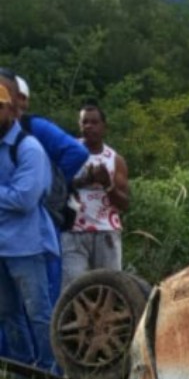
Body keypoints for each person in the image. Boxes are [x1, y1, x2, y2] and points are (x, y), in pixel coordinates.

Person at [0, 79, 60, 371]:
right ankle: (22, 370)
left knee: (39, 313)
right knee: (7, 313)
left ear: (12, 110)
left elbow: (24, 198)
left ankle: (50, 371)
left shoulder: (29, 148)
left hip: (26, 246)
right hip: (2, 246)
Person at [62, 102, 129, 288]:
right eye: (85, 122)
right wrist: (83, 180)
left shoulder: (114, 159)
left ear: (104, 126)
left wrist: (107, 184)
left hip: (106, 231)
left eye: (94, 122)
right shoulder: (68, 151)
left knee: (110, 289)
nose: (89, 126)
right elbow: (53, 186)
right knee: (72, 290)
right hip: (72, 231)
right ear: (79, 124)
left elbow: (125, 203)